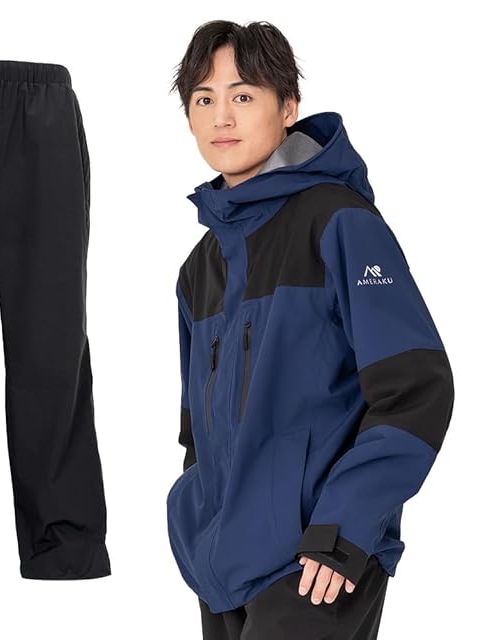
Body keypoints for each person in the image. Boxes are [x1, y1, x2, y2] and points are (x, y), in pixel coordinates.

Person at [166, 20, 455, 640]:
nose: (222, 117)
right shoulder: (198, 270)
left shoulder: (341, 225)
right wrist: (193, 524)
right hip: (222, 569)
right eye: (204, 99)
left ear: (288, 108)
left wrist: (343, 528)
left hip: (317, 561)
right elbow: (197, 430)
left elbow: (416, 388)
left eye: (243, 96)